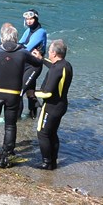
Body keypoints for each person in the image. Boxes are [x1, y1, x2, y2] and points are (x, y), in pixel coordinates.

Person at [0, 23, 43, 168]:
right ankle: (5, 156)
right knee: (10, 126)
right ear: (15, 38)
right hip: (13, 95)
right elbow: (37, 64)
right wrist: (38, 57)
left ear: (2, 37)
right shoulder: (24, 53)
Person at [34, 39, 73, 170]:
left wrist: (31, 93)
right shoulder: (66, 65)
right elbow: (54, 66)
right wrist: (41, 58)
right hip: (62, 106)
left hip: (51, 106)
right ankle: (53, 162)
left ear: (55, 53)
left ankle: (46, 163)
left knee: (42, 133)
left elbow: (47, 93)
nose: (48, 53)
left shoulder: (56, 69)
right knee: (52, 133)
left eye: (50, 51)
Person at [18, 9, 48, 118]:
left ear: (36, 19)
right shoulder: (29, 30)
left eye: (31, 19)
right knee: (30, 93)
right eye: (26, 19)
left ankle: (16, 119)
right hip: (26, 65)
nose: (28, 21)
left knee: (19, 91)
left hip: (34, 67)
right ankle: (33, 116)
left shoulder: (40, 32)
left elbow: (26, 48)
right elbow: (20, 43)